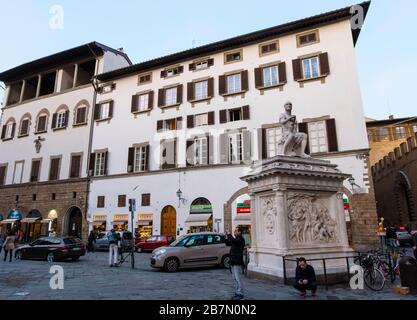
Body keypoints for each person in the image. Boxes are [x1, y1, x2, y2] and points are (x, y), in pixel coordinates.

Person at [225, 226, 246, 300]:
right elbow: (228, 243)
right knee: (234, 278)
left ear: (240, 232)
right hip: (233, 261)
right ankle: (237, 292)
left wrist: (229, 234)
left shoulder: (241, 239)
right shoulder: (236, 239)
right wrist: (227, 236)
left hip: (237, 261)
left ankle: (240, 294)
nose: (235, 232)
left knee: (238, 278)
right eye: (234, 231)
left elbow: (234, 241)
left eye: (236, 231)